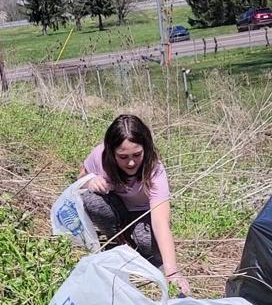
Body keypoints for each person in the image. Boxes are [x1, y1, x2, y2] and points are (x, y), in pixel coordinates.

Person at [78, 114, 190, 295]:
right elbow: (80, 179)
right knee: (92, 201)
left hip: (142, 215)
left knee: (148, 244)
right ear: (111, 152)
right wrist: (90, 181)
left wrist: (172, 271)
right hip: (115, 210)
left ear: (146, 149)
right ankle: (116, 241)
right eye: (122, 157)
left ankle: (134, 245)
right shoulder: (99, 155)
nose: (131, 162)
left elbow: (160, 222)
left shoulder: (154, 170)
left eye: (137, 155)